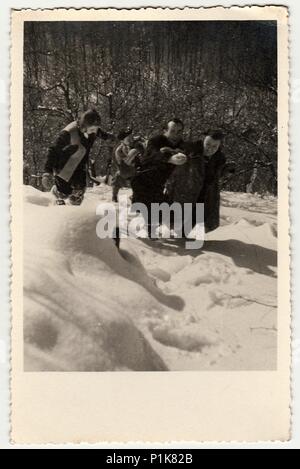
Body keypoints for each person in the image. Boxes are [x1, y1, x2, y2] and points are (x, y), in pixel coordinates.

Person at [42, 109, 115, 205]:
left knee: (79, 192)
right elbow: (53, 150)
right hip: (63, 167)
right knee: (64, 193)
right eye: (92, 129)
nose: (94, 132)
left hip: (79, 165)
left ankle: (75, 213)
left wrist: (108, 137)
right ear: (84, 126)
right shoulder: (68, 133)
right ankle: (56, 194)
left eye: (95, 129)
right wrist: (47, 172)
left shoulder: (92, 130)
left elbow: (98, 132)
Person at [131, 118, 187, 236]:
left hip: (160, 184)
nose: (176, 135)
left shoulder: (182, 145)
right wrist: (168, 159)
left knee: (166, 212)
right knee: (152, 210)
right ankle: (149, 238)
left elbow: (194, 153)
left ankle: (156, 230)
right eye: (172, 131)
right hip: (143, 180)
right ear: (165, 131)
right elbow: (152, 155)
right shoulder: (155, 141)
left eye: (179, 131)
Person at [193, 129, 235, 233]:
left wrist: (227, 170)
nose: (210, 149)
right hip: (191, 193)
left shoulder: (219, 158)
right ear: (203, 141)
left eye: (214, 146)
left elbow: (216, 175)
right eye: (207, 144)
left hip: (208, 195)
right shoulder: (193, 153)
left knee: (205, 223)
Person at [111, 128, 145, 203]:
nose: (130, 139)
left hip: (137, 169)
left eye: (131, 137)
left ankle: (136, 196)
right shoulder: (119, 150)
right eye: (128, 138)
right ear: (122, 141)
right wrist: (135, 152)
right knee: (118, 179)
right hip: (126, 170)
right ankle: (115, 196)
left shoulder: (134, 144)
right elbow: (126, 162)